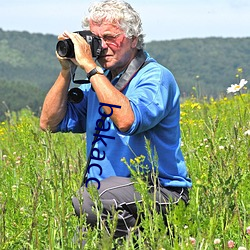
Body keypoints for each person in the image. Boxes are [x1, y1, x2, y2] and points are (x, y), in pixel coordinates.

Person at [40, 0, 192, 244]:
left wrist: (90, 68)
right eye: (96, 39)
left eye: (110, 37)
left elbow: (127, 121)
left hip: (162, 192)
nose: (102, 47)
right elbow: (49, 123)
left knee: (89, 199)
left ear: (133, 39)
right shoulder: (99, 83)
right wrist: (66, 70)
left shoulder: (154, 77)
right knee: (79, 241)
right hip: (112, 198)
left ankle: (147, 240)